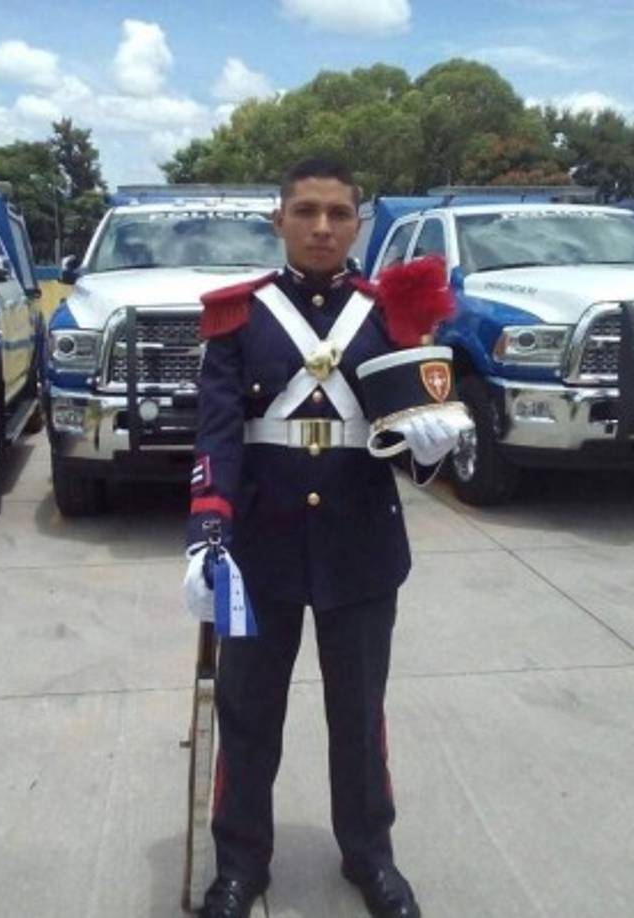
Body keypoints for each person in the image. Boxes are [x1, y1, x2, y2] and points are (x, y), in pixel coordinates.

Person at [185, 157, 461, 918]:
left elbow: (411, 437)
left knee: (359, 713)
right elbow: (217, 431)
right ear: (278, 219)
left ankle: (370, 856)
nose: (321, 227)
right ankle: (240, 865)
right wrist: (208, 531)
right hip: (260, 551)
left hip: (361, 545)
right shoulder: (237, 315)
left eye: (338, 213)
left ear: (358, 223)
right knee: (247, 714)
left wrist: (432, 449)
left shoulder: (389, 313)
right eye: (305, 210)